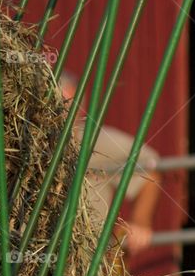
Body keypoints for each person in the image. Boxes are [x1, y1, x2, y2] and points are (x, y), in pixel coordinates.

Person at [59, 73, 162, 254]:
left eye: (68, 105)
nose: (62, 113)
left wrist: (140, 221)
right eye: (57, 104)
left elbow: (149, 171)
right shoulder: (23, 146)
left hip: (87, 255)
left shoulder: (97, 142)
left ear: (81, 111)